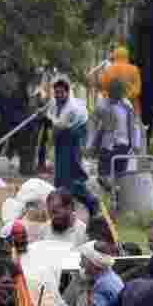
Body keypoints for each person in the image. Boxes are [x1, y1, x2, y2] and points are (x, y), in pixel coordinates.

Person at [45, 76, 98, 217]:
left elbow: (59, 126)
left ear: (67, 93)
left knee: (72, 177)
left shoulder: (71, 108)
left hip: (74, 136)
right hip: (62, 138)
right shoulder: (54, 102)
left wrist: (47, 119)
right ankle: (64, 210)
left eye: (61, 92)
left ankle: (92, 203)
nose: (57, 95)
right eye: (56, 92)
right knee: (60, 178)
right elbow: (51, 116)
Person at [0, 71, 34, 176]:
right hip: (0, 117)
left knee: (24, 141)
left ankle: (25, 166)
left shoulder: (21, 84)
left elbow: (25, 103)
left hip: (17, 118)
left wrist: (27, 116)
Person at [96, 79, 142, 179]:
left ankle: (117, 191)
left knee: (120, 177)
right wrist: (95, 144)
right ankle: (107, 189)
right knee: (103, 176)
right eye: (112, 93)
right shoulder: (103, 104)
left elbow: (134, 125)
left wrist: (136, 145)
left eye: (117, 93)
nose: (114, 96)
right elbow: (99, 126)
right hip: (106, 147)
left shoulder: (127, 106)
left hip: (122, 146)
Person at [99, 45, 142, 117]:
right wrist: (128, 96)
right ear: (127, 56)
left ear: (115, 56)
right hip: (131, 104)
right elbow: (137, 89)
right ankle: (138, 125)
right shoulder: (134, 69)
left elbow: (103, 88)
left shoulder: (108, 70)